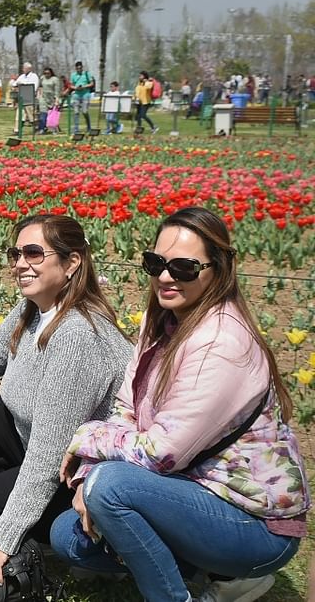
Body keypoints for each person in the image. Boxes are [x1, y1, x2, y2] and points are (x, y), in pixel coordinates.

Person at [54, 207, 310, 602]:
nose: (166, 277)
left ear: (220, 269)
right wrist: (90, 471)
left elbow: (162, 453)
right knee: (66, 536)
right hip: (192, 492)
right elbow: (127, 406)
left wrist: (88, 440)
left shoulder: (222, 344)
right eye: (156, 263)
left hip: (253, 525)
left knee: (111, 488)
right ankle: (215, 578)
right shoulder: (161, 321)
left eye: (184, 268)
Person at [0, 214, 131, 589]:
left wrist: (1, 544)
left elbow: (50, 453)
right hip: (38, 444)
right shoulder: (33, 312)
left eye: (34, 253)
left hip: (88, 473)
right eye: (16, 253)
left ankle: (57, 539)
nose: (21, 263)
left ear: (72, 263)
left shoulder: (77, 336)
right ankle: (24, 518)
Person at [67, 61, 95, 135]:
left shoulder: (87, 74)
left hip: (86, 94)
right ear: (76, 68)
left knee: (84, 111)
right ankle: (76, 129)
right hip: (76, 94)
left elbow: (92, 83)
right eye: (77, 68)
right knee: (76, 112)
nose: (79, 69)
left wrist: (84, 87)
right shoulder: (73, 75)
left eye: (80, 68)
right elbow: (70, 85)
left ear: (82, 67)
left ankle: (89, 127)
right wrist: (76, 87)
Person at [13, 63, 39, 133]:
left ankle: (36, 127)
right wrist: (17, 86)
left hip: (29, 97)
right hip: (21, 98)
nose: (23, 69)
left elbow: (34, 87)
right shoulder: (22, 76)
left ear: (29, 69)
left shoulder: (34, 76)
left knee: (31, 115)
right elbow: (15, 84)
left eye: (24, 68)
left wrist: (23, 85)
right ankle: (17, 130)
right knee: (19, 114)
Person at [38, 67, 62, 133]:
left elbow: (57, 90)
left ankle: (54, 128)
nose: (46, 75)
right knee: (43, 114)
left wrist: (57, 100)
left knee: (52, 115)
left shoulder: (55, 79)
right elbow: (40, 86)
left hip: (52, 99)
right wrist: (39, 95)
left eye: (48, 73)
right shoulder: (42, 78)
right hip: (43, 98)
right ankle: (42, 128)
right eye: (45, 73)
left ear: (51, 73)